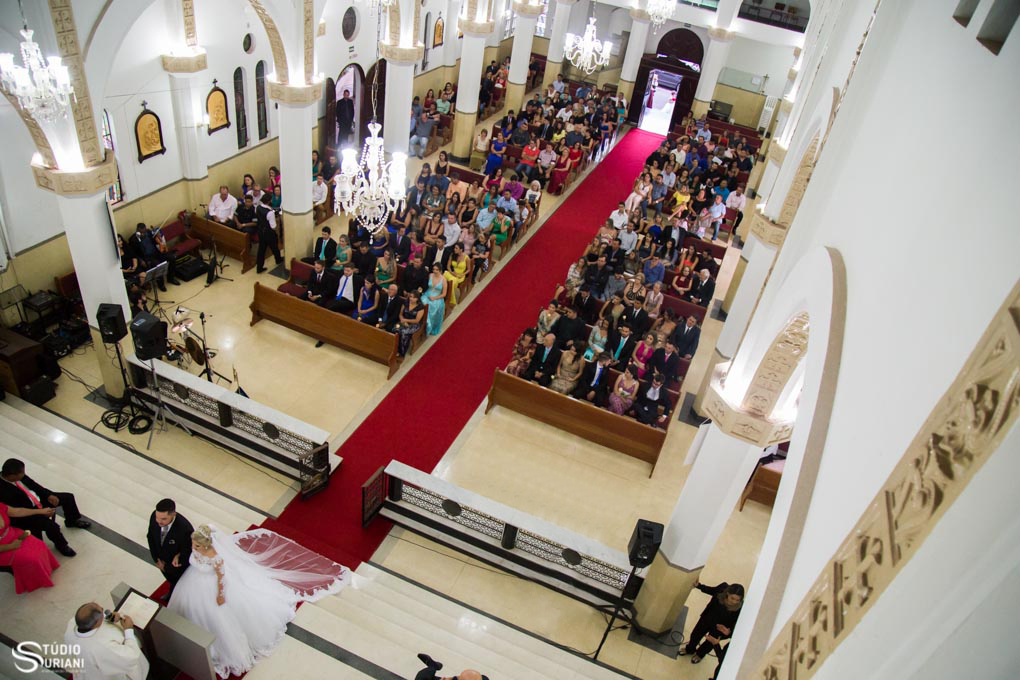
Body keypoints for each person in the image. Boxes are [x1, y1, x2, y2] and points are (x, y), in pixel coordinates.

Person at [169, 524, 349, 678]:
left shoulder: (216, 558)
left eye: (197, 545)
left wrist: (221, 594)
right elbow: (195, 558)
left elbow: (221, 577)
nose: (194, 547)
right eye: (194, 544)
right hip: (193, 582)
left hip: (213, 587)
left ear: (207, 544)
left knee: (219, 619)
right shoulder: (197, 549)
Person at [1, 458, 86, 557]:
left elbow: (35, 486)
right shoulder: (3, 492)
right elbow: (18, 511)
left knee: (68, 497)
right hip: (28, 514)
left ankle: (71, 521)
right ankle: (62, 546)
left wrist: (48, 495)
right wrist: (41, 512)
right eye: (22, 473)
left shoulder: (19, 476)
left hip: (38, 501)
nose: (24, 474)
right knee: (52, 527)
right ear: (12, 476)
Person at [65, 603, 148, 680]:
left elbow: (95, 619)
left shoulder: (73, 624)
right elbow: (130, 657)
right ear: (97, 622)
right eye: (101, 610)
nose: (103, 609)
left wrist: (109, 617)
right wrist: (128, 629)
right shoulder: (103, 647)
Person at [0, 502, 60, 593]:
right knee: (31, 558)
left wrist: (40, 511)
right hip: (3, 549)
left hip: (13, 534)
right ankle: (36, 581)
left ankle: (46, 570)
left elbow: (18, 511)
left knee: (40, 544)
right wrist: (10, 546)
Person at [681, 582, 744, 664]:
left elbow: (737, 624)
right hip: (707, 619)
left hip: (720, 629)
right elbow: (712, 590)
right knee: (695, 635)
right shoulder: (722, 588)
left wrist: (729, 632)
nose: (734, 602)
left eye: (737, 600)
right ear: (727, 593)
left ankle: (700, 654)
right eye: (732, 598)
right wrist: (699, 586)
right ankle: (690, 649)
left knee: (709, 644)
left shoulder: (741, 608)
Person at [146, 498, 194, 598]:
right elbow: (150, 537)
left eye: (163, 519)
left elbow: (186, 554)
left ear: (173, 514)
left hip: (175, 569)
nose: (159, 522)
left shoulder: (185, 529)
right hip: (161, 561)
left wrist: (167, 568)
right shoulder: (154, 516)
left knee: (177, 583)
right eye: (157, 517)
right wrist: (156, 560)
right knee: (170, 580)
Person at [255, 193, 283, 273]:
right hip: (269, 233)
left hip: (260, 231)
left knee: (261, 250)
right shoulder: (269, 213)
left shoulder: (259, 207)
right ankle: (278, 260)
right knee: (274, 247)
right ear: (269, 201)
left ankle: (259, 267)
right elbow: (273, 226)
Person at [396, 290, 426, 356]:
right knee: (395, 329)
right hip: (404, 321)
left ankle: (401, 352)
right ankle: (395, 348)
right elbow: (400, 314)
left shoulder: (420, 307)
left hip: (414, 324)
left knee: (404, 333)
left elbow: (417, 320)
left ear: (417, 299)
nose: (411, 298)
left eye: (413, 297)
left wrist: (406, 320)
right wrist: (402, 320)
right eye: (410, 297)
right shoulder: (406, 302)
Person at [424, 263, 448, 336]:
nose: (434, 271)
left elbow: (444, 294)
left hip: (437, 297)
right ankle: (423, 324)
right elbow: (426, 286)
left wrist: (434, 298)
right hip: (427, 294)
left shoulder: (443, 280)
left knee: (433, 307)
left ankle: (430, 326)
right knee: (422, 303)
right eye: (434, 269)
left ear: (440, 271)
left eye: (437, 270)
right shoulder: (430, 275)